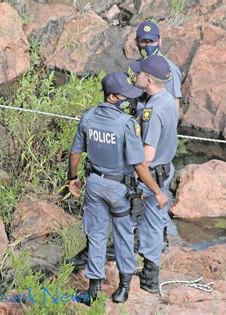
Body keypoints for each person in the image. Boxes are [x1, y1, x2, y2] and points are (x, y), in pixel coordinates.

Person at [68, 72, 169, 303]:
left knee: (96, 234)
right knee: (123, 236)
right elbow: (138, 165)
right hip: (119, 189)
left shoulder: (88, 117)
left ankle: (93, 290)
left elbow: (75, 152)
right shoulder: (127, 124)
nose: (129, 100)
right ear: (113, 97)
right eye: (126, 96)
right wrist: (156, 191)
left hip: (94, 184)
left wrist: (72, 178)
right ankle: (123, 289)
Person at [130, 55, 178, 294]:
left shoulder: (153, 111)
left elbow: (146, 157)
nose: (135, 75)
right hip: (165, 168)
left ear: (148, 79)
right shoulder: (167, 100)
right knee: (155, 223)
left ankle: (138, 276)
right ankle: (150, 275)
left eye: (138, 73)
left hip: (151, 175)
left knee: (130, 219)